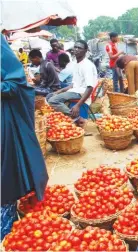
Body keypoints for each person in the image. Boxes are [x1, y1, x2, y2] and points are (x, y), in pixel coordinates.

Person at [1, 35, 48, 239]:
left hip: (4, 118)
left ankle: (6, 226)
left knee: (5, 171)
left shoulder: (4, 54)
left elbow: (15, 85)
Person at [47, 40, 98, 127]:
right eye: (75, 47)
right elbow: (73, 84)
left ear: (85, 50)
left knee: (53, 100)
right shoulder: (76, 63)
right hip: (75, 90)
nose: (76, 49)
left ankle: (78, 118)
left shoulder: (87, 65)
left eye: (79, 48)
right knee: (50, 96)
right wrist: (58, 91)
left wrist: (78, 105)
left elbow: (90, 87)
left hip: (81, 93)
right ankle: (70, 117)